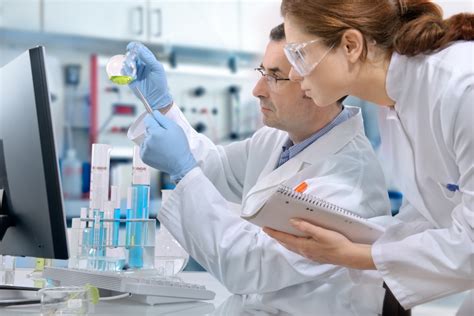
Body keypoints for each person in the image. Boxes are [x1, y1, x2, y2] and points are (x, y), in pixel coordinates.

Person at [127, 24, 391, 314]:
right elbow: (217, 169)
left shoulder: (348, 182)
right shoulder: (277, 140)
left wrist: (182, 170)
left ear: (316, 85)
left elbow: (249, 265)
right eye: (261, 72)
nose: (257, 90)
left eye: (274, 77)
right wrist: (161, 106)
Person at [263, 0, 474, 314]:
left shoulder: (461, 88)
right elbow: (429, 211)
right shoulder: (394, 101)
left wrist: (350, 254)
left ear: (350, 45)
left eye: (299, 54)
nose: (293, 73)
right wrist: (352, 237)